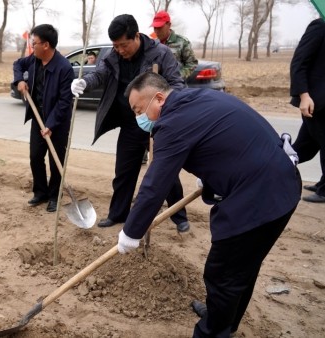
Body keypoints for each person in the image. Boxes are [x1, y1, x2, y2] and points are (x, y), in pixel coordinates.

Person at [117, 72, 300, 337]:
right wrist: (213, 177)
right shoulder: (200, 97)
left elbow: (155, 185)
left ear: (158, 98)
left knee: (223, 273)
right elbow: (225, 140)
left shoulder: (172, 123)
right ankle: (223, 318)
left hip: (260, 198)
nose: (139, 118)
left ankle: (213, 331)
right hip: (280, 184)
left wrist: (132, 231)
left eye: (138, 110)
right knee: (241, 269)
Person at [71, 14, 190, 231]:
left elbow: (177, 84)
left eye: (124, 45)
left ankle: (179, 216)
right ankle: (118, 214)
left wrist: (163, 109)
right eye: (116, 46)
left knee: (165, 172)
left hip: (157, 123)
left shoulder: (160, 53)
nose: (120, 50)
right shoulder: (112, 54)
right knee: (124, 172)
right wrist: (83, 83)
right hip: (130, 122)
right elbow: (99, 74)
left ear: (136, 36)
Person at [13, 24, 74, 213]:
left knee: (57, 161)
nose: (32, 46)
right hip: (37, 116)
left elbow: (65, 102)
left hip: (57, 123)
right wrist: (19, 80)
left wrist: (51, 124)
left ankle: (55, 196)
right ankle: (40, 192)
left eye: (35, 43)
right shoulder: (34, 60)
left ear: (46, 45)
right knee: (35, 156)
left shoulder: (64, 68)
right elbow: (18, 64)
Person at [289, 18, 325, 203]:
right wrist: (304, 95)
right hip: (317, 101)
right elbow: (299, 62)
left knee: (304, 148)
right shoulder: (321, 25)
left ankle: (269, 167)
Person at [151, 10, 198, 80]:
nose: (156, 31)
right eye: (155, 28)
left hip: (177, 87)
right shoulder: (153, 44)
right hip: (159, 86)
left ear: (169, 25)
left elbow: (192, 64)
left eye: (160, 28)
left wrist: (178, 77)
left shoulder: (182, 42)